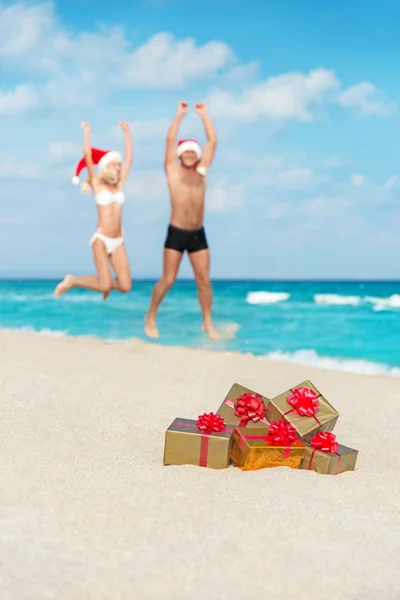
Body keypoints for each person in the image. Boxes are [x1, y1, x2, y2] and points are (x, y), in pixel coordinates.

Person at [145, 101, 220, 340]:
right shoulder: (172, 171)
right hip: (177, 232)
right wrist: (179, 115)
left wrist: (204, 116)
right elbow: (169, 140)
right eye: (185, 151)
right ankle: (151, 316)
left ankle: (207, 322)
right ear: (180, 155)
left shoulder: (202, 172)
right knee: (168, 280)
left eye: (192, 152)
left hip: (198, 233)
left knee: (204, 281)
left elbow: (212, 142)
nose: (189, 154)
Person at [54, 121, 133, 299]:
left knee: (125, 286)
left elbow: (129, 159)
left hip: (118, 240)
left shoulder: (119, 185)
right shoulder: (97, 183)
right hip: (102, 239)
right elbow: (88, 156)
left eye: (119, 165)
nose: (118, 168)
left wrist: (127, 134)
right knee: (105, 284)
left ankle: (101, 285)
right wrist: (87, 133)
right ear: (105, 166)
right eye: (115, 165)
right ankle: (73, 281)